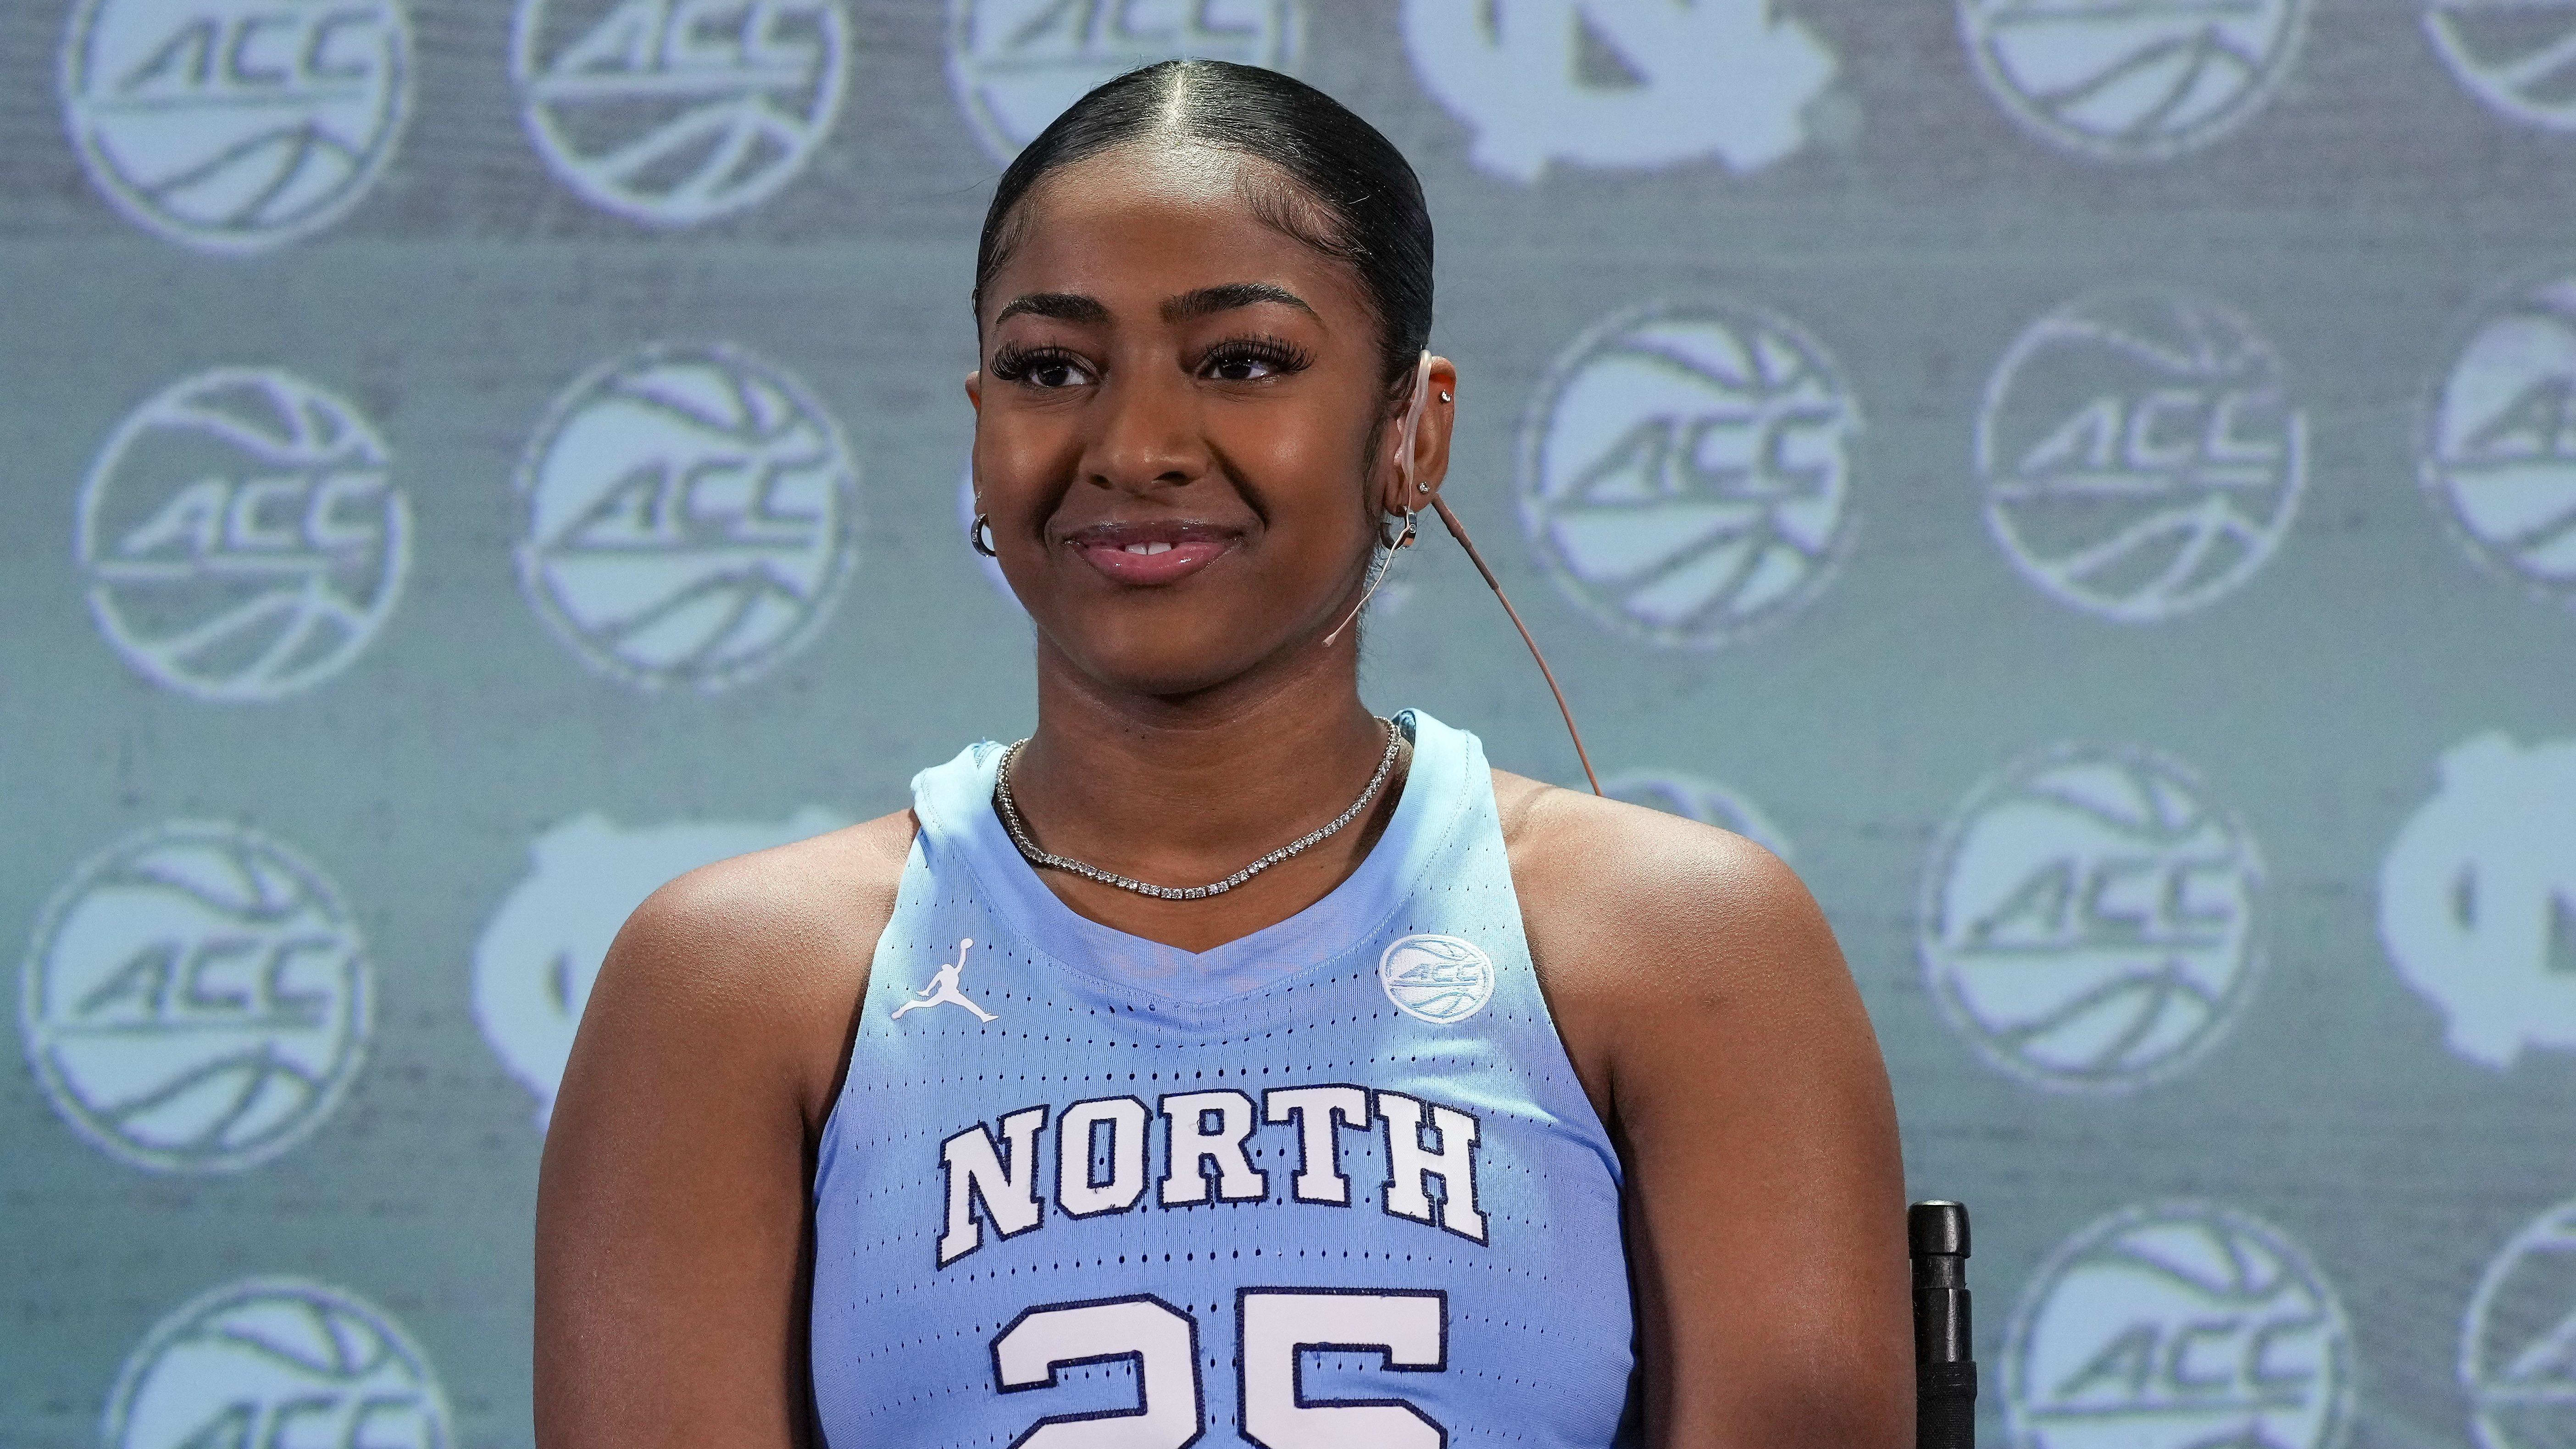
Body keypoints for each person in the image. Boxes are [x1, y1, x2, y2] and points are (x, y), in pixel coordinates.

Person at [534, 59, 1908, 1449]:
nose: (1134, 446)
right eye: (1050, 369)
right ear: (979, 426)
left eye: (1242, 362)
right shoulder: (737, 979)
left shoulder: (1683, 943)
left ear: (1412, 432)